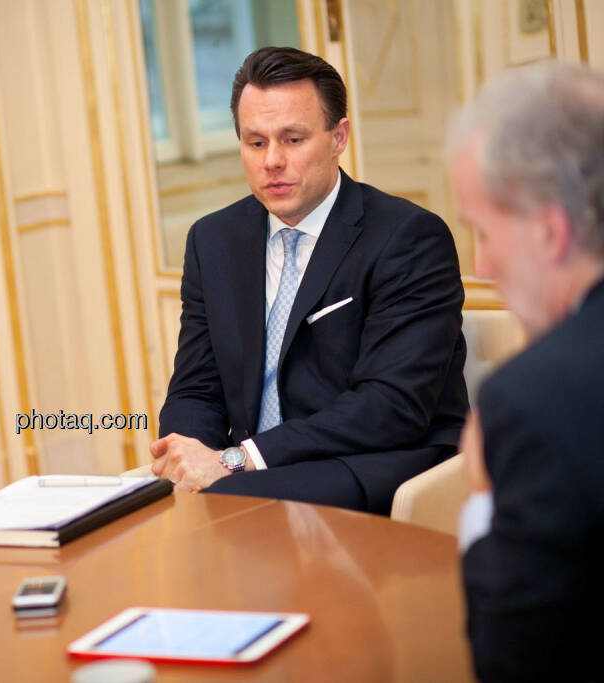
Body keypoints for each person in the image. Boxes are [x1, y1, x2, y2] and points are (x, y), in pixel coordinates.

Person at [151, 47, 468, 515]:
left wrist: (238, 461)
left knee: (219, 506)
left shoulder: (408, 237)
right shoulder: (213, 240)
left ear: (338, 137)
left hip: (372, 460)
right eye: (255, 143)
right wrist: (189, 456)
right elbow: (197, 387)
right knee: (155, 505)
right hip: (252, 468)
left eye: (293, 139)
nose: (272, 161)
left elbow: (391, 405)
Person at [449, 63, 604, 682]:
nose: (482, 265)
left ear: (551, 231)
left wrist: (484, 500)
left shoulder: (536, 398)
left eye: (484, 232)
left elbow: (513, 659)